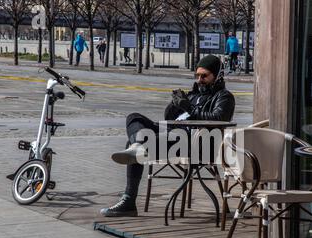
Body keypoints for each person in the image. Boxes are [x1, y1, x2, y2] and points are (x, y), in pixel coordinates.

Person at [100, 55, 235, 217]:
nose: (199, 80)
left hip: (195, 143)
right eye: (197, 75)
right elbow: (169, 119)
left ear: (217, 76)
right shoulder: (193, 95)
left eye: (204, 76)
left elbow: (219, 119)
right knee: (134, 117)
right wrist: (174, 104)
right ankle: (138, 147)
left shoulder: (224, 96)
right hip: (173, 135)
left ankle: (129, 198)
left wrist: (189, 108)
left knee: (133, 141)